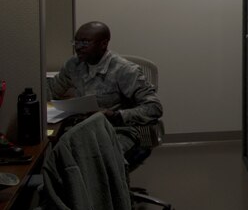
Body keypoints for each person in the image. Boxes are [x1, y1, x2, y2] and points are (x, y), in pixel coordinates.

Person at [47, 21, 163, 155]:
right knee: (59, 154)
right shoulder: (74, 64)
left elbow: (154, 108)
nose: (78, 48)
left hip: (117, 130)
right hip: (82, 127)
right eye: (76, 42)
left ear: (103, 44)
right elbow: (51, 91)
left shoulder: (124, 70)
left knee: (91, 158)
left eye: (85, 43)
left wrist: (115, 115)